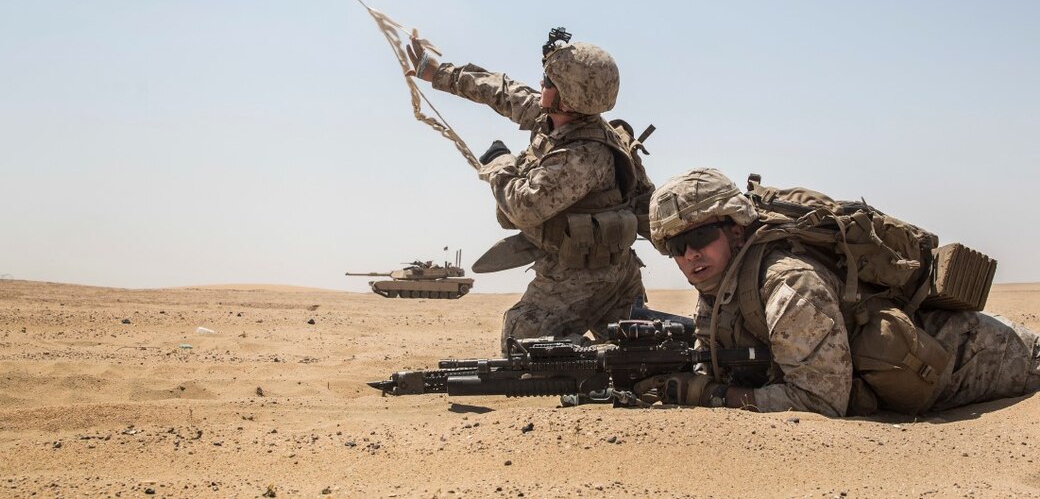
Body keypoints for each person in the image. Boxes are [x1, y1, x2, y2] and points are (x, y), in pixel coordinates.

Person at [638, 167, 1040, 416]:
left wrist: (712, 397)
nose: (691, 254)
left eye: (702, 236)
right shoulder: (718, 288)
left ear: (736, 229)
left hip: (985, 358)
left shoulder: (788, 284)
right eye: (676, 246)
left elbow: (820, 400)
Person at [407, 30, 650, 351]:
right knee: (640, 345)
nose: (540, 85)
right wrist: (438, 72)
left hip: (581, 278)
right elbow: (502, 91)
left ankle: (604, 359)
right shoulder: (556, 115)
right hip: (612, 268)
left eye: (548, 82)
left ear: (568, 97)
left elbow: (522, 206)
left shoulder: (582, 156)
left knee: (522, 343)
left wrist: (498, 161)